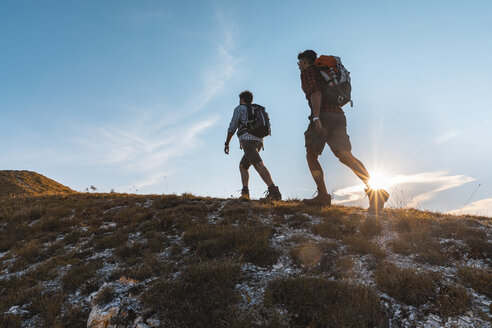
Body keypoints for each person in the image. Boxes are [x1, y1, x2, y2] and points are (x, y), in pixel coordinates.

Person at [297, 49, 388, 212]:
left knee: (311, 154)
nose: (299, 66)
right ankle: (375, 191)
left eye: (299, 63)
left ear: (305, 61)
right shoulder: (325, 73)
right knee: (345, 155)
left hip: (323, 115)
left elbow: (315, 93)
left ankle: (323, 196)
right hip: (339, 115)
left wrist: (317, 119)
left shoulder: (309, 72)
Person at [224, 90, 282, 201]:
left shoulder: (239, 108)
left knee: (258, 164)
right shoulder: (257, 109)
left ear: (242, 99)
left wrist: (227, 143)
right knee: (243, 166)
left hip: (248, 141)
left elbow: (232, 126)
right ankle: (245, 193)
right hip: (259, 142)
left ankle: (274, 192)